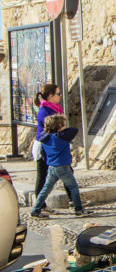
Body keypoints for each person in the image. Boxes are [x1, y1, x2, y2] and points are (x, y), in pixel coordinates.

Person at [30, 114, 92, 218]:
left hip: (51, 167)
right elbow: (74, 130)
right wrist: (61, 129)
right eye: (63, 124)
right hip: (63, 166)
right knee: (73, 187)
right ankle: (78, 209)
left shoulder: (44, 138)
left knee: (45, 189)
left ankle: (35, 210)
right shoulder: (61, 137)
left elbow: (43, 153)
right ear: (59, 126)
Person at [32, 84, 72, 215]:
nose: (60, 96)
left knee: (67, 171)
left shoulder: (54, 108)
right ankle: (39, 207)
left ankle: (73, 200)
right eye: (58, 94)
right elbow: (52, 129)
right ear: (50, 96)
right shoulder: (45, 111)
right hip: (45, 146)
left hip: (52, 144)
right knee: (43, 177)